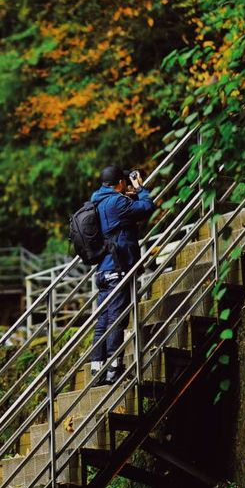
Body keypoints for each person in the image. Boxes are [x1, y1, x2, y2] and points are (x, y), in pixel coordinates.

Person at [90, 164, 155, 385]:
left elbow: (123, 219)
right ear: (119, 183)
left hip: (103, 270)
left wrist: (128, 196)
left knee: (103, 322)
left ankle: (97, 370)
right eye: (124, 181)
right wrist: (141, 189)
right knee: (116, 321)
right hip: (118, 269)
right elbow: (147, 208)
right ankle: (114, 370)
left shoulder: (97, 202)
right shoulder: (117, 202)